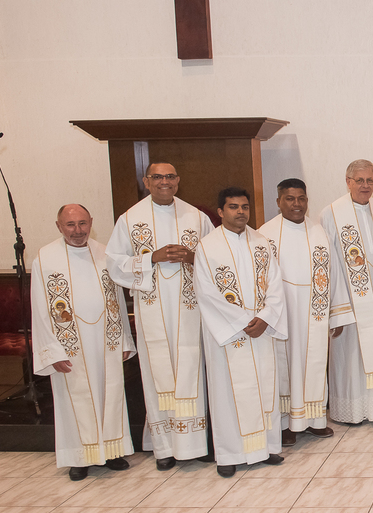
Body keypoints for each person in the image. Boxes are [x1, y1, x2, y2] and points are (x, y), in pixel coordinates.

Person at [106, 162, 212, 471]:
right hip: (152, 309)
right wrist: (151, 257)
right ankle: (164, 448)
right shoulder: (129, 219)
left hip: (190, 310)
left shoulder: (197, 217)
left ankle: (197, 443)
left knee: (191, 369)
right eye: (157, 177)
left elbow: (217, 259)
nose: (163, 182)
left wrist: (192, 258)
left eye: (169, 177)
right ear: (146, 181)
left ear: (178, 180)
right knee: (158, 374)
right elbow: (113, 263)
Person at [32, 204, 136, 480]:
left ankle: (113, 451)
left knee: (110, 394)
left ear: (91, 222)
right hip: (69, 345)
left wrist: (125, 337)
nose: (77, 231)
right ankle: (80, 457)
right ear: (58, 226)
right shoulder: (45, 258)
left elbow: (117, 299)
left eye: (82, 224)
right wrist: (51, 351)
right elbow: (40, 310)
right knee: (74, 396)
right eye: (70, 225)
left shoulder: (105, 253)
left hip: (106, 339)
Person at [194, 187, 287, 477]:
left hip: (260, 331)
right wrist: (243, 321)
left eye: (245, 207)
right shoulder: (207, 247)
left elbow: (275, 284)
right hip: (229, 335)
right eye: (233, 207)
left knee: (264, 389)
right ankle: (230, 455)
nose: (241, 212)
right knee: (227, 393)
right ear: (220, 212)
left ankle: (267, 448)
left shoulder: (262, 243)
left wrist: (265, 317)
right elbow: (206, 292)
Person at [259, 178, 336, 447]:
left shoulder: (319, 232)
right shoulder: (264, 235)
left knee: (314, 363)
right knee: (283, 367)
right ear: (278, 201)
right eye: (290, 199)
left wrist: (335, 314)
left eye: (301, 198)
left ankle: (314, 420)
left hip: (314, 312)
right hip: (282, 315)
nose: (296, 204)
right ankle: (285, 424)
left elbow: (333, 274)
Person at [319, 159, 373, 425]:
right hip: (349, 301)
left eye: (370, 181)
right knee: (351, 359)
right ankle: (351, 412)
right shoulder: (331, 213)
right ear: (348, 181)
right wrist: (337, 310)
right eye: (360, 181)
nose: (365, 186)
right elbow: (328, 264)